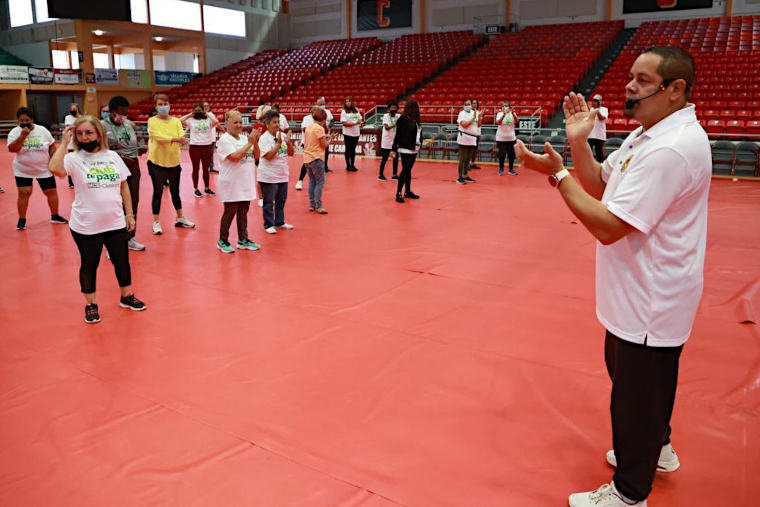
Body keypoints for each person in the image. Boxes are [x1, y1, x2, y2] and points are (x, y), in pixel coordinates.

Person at [515, 46, 709, 507]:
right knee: (642, 383)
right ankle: (656, 448)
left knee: (635, 398)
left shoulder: (671, 148)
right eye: (630, 78)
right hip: (635, 292)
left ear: (675, 90)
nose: (629, 87)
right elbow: (603, 187)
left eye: (643, 81)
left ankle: (628, 493)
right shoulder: (647, 136)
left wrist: (559, 173)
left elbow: (607, 225)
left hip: (652, 296)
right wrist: (578, 145)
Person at [49, 115, 146, 324]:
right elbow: (54, 169)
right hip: (86, 224)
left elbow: (123, 186)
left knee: (122, 261)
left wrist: (129, 214)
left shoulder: (111, 156)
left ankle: (126, 296)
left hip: (115, 221)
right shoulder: (73, 158)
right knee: (89, 264)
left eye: (89, 133)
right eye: (80, 133)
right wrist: (64, 143)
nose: (84, 137)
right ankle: (91, 304)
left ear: (99, 134)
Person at [7, 107, 68, 230]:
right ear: (18, 121)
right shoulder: (14, 132)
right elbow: (12, 149)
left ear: (32, 119)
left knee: (51, 192)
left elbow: (51, 145)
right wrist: (22, 136)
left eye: (27, 120)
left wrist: (54, 161)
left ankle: (55, 216)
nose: (24, 123)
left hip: (43, 168)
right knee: (24, 193)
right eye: (21, 120)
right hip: (23, 169)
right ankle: (22, 219)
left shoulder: (42, 130)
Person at [102, 95, 148, 251]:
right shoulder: (101, 126)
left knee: (133, 202)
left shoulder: (129, 125)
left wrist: (140, 149)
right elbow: (99, 150)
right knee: (114, 204)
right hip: (112, 169)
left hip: (132, 167)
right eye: (120, 113)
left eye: (126, 113)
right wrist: (119, 156)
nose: (123, 117)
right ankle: (111, 243)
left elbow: (131, 144)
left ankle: (129, 237)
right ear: (112, 111)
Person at [147, 93, 194, 234]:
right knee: (158, 192)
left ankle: (180, 218)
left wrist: (180, 137)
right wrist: (175, 138)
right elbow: (158, 137)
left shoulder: (176, 121)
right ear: (155, 106)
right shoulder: (152, 121)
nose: (163, 107)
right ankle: (156, 222)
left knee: (175, 191)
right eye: (160, 104)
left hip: (174, 162)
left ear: (169, 105)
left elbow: (181, 134)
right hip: (157, 162)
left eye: (165, 104)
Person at [215, 110, 262, 253]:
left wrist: (255, 143)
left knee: (243, 213)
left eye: (240, 122)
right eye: (235, 122)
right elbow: (234, 157)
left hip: (245, 182)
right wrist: (250, 143)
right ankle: (222, 240)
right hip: (231, 183)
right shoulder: (224, 140)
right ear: (227, 123)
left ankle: (243, 239)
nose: (238, 125)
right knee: (230, 212)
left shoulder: (243, 139)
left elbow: (257, 156)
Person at [257, 110, 295, 234]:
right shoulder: (264, 138)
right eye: (274, 122)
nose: (277, 124)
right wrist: (278, 144)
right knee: (269, 202)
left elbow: (291, 153)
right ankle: (268, 224)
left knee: (281, 201)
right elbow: (268, 156)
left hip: (282, 174)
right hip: (269, 175)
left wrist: (288, 144)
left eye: (278, 122)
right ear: (267, 124)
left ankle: (280, 221)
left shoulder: (283, 136)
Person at [303, 107, 339, 214]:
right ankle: (319, 205)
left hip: (307, 157)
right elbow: (324, 145)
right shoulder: (319, 128)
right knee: (319, 182)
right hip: (316, 157)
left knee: (312, 182)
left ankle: (312, 204)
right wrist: (331, 139)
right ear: (323, 119)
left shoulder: (309, 126)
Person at [180, 103, 219, 198]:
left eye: (199, 110)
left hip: (206, 146)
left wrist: (206, 113)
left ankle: (206, 188)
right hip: (195, 147)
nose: (198, 111)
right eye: (196, 110)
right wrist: (191, 114)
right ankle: (196, 189)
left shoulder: (208, 120)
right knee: (195, 168)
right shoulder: (191, 121)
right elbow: (180, 120)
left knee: (206, 169)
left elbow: (216, 121)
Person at [394, 100, 421, 203]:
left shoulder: (415, 120)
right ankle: (398, 193)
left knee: (408, 170)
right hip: (405, 148)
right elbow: (398, 135)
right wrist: (394, 148)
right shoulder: (403, 119)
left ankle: (407, 191)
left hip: (414, 148)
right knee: (405, 170)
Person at [456, 99, 478, 184]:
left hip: (472, 139)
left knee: (468, 159)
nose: (468, 105)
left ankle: (466, 175)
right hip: (464, 138)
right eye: (466, 104)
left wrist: (480, 117)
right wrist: (473, 118)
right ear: (463, 105)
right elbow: (464, 125)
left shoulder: (474, 113)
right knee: (463, 159)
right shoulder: (462, 114)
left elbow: (477, 125)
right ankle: (460, 177)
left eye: (469, 104)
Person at [495, 100, 519, 176]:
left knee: (511, 155)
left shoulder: (513, 113)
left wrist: (513, 114)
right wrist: (503, 115)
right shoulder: (499, 114)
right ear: (502, 107)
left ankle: (511, 169)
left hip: (511, 137)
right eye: (504, 106)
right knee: (502, 154)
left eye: (507, 105)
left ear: (509, 107)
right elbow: (498, 123)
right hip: (501, 137)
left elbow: (517, 121)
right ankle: (501, 169)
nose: (505, 107)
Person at [340, 96, 363, 172]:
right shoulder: (344, 111)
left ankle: (352, 164)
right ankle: (348, 165)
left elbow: (360, 119)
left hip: (356, 133)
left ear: (352, 102)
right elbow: (344, 123)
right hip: (348, 133)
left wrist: (361, 122)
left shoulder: (356, 110)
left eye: (349, 101)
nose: (348, 103)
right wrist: (355, 123)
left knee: (353, 149)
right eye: (346, 101)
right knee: (348, 149)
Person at [378, 101, 400, 181]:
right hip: (387, 139)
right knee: (385, 158)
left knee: (395, 158)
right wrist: (396, 125)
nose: (393, 109)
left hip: (395, 140)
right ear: (389, 108)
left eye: (395, 107)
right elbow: (386, 128)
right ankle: (380, 174)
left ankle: (394, 174)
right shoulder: (386, 116)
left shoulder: (398, 116)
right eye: (392, 107)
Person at [64, 102, 82, 188]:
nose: (73, 111)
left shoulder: (81, 118)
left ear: (78, 109)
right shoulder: (68, 117)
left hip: (80, 143)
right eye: (71, 110)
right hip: (71, 144)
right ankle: (71, 182)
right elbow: (69, 127)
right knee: (72, 162)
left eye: (75, 109)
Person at [588, 94, 610, 163]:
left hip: (599, 135)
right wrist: (589, 109)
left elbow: (601, 118)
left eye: (597, 100)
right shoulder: (590, 109)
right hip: (590, 134)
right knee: (589, 152)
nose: (595, 102)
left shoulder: (604, 109)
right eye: (594, 100)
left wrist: (597, 109)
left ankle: (600, 167)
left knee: (599, 153)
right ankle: (590, 167)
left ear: (601, 101)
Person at [203, 102, 222, 173]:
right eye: (205, 106)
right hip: (205, 138)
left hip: (212, 138)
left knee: (211, 154)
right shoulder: (201, 116)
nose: (206, 107)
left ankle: (210, 167)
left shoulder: (211, 114)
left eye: (207, 106)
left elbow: (216, 122)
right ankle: (206, 167)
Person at [316, 97, 334, 172]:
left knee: (326, 152)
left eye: (322, 104)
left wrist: (330, 125)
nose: (322, 105)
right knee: (318, 152)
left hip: (326, 135)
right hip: (318, 135)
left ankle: (325, 167)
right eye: (320, 104)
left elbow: (333, 121)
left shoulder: (328, 112)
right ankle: (318, 167)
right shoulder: (316, 112)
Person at [470, 99, 484, 170]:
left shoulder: (479, 112)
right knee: (470, 149)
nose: (474, 104)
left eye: (475, 103)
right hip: (471, 133)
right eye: (473, 103)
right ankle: (468, 163)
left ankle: (473, 163)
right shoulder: (469, 112)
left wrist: (481, 116)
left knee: (475, 149)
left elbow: (479, 124)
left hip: (477, 133)